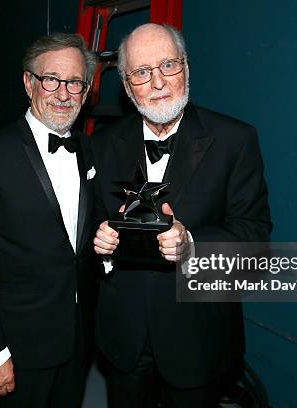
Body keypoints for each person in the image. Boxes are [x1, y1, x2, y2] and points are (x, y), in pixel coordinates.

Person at [92, 23, 272, 408]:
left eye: (168, 65)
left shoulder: (235, 140)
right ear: (126, 86)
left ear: (186, 68)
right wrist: (101, 245)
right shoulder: (100, 145)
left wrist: (192, 244)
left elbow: (255, 238)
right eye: (141, 72)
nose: (157, 82)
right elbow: (86, 228)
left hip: (198, 337)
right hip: (123, 336)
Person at [0, 33, 98, 408]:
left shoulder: (90, 149)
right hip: (17, 347)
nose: (63, 93)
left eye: (74, 83)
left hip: (78, 339)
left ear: (86, 91)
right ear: (28, 82)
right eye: (51, 79)